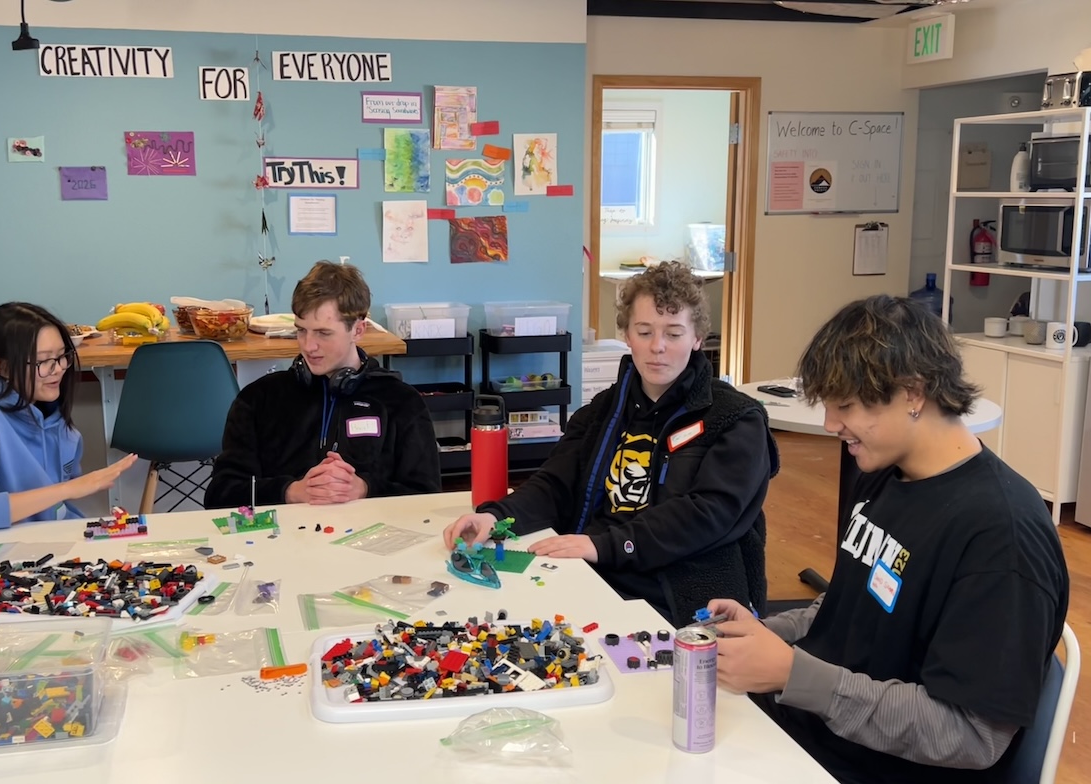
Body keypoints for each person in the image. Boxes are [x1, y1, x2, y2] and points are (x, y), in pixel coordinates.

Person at [708, 295, 1069, 784]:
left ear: (914, 393)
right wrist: (769, 632)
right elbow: (849, 608)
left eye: (847, 406)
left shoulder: (1001, 536)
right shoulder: (886, 471)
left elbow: (970, 735)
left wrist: (794, 674)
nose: (832, 424)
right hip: (813, 736)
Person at [443, 261, 779, 625]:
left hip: (678, 587)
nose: (658, 347)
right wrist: (496, 516)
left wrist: (606, 546)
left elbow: (707, 515)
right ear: (627, 334)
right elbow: (555, 484)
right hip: (595, 570)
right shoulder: (602, 410)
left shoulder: (735, 419)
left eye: (674, 333)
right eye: (645, 331)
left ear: (698, 338)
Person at [204, 261, 440, 508]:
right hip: (283, 542)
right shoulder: (258, 399)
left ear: (358, 330)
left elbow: (426, 495)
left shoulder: (401, 402)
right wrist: (291, 491)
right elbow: (220, 495)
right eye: (301, 331)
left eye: (323, 333)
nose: (308, 346)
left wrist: (365, 488)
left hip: (371, 541)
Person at [0, 303, 138, 534]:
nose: (58, 369)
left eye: (62, 356)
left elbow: (57, 507)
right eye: (43, 361)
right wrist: (67, 489)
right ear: (1, 367)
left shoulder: (53, 417)